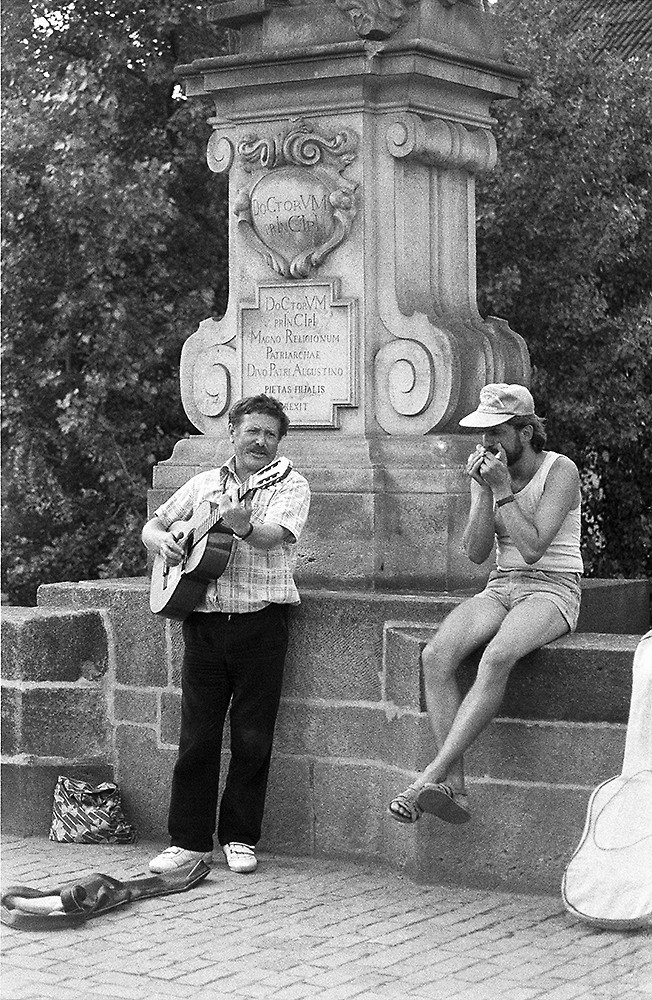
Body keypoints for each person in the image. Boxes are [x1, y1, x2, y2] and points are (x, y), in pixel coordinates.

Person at [388, 383, 583, 825]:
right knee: (436, 655)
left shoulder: (560, 470)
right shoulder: (492, 476)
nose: (487, 443)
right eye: (483, 434)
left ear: (527, 432)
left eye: (496, 432)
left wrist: (502, 493)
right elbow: (476, 554)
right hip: (501, 584)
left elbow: (534, 549)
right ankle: (454, 788)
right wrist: (480, 494)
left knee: (495, 658)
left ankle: (427, 778)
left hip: (553, 587)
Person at [142, 394, 310, 874]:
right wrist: (160, 540)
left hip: (261, 623)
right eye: (252, 431)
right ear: (233, 432)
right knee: (196, 736)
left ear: (279, 441)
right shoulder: (202, 484)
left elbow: (273, 536)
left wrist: (243, 524)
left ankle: (239, 837)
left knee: (253, 737)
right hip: (205, 623)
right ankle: (188, 841)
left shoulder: (291, 485)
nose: (261, 441)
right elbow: (156, 525)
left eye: (270, 434)